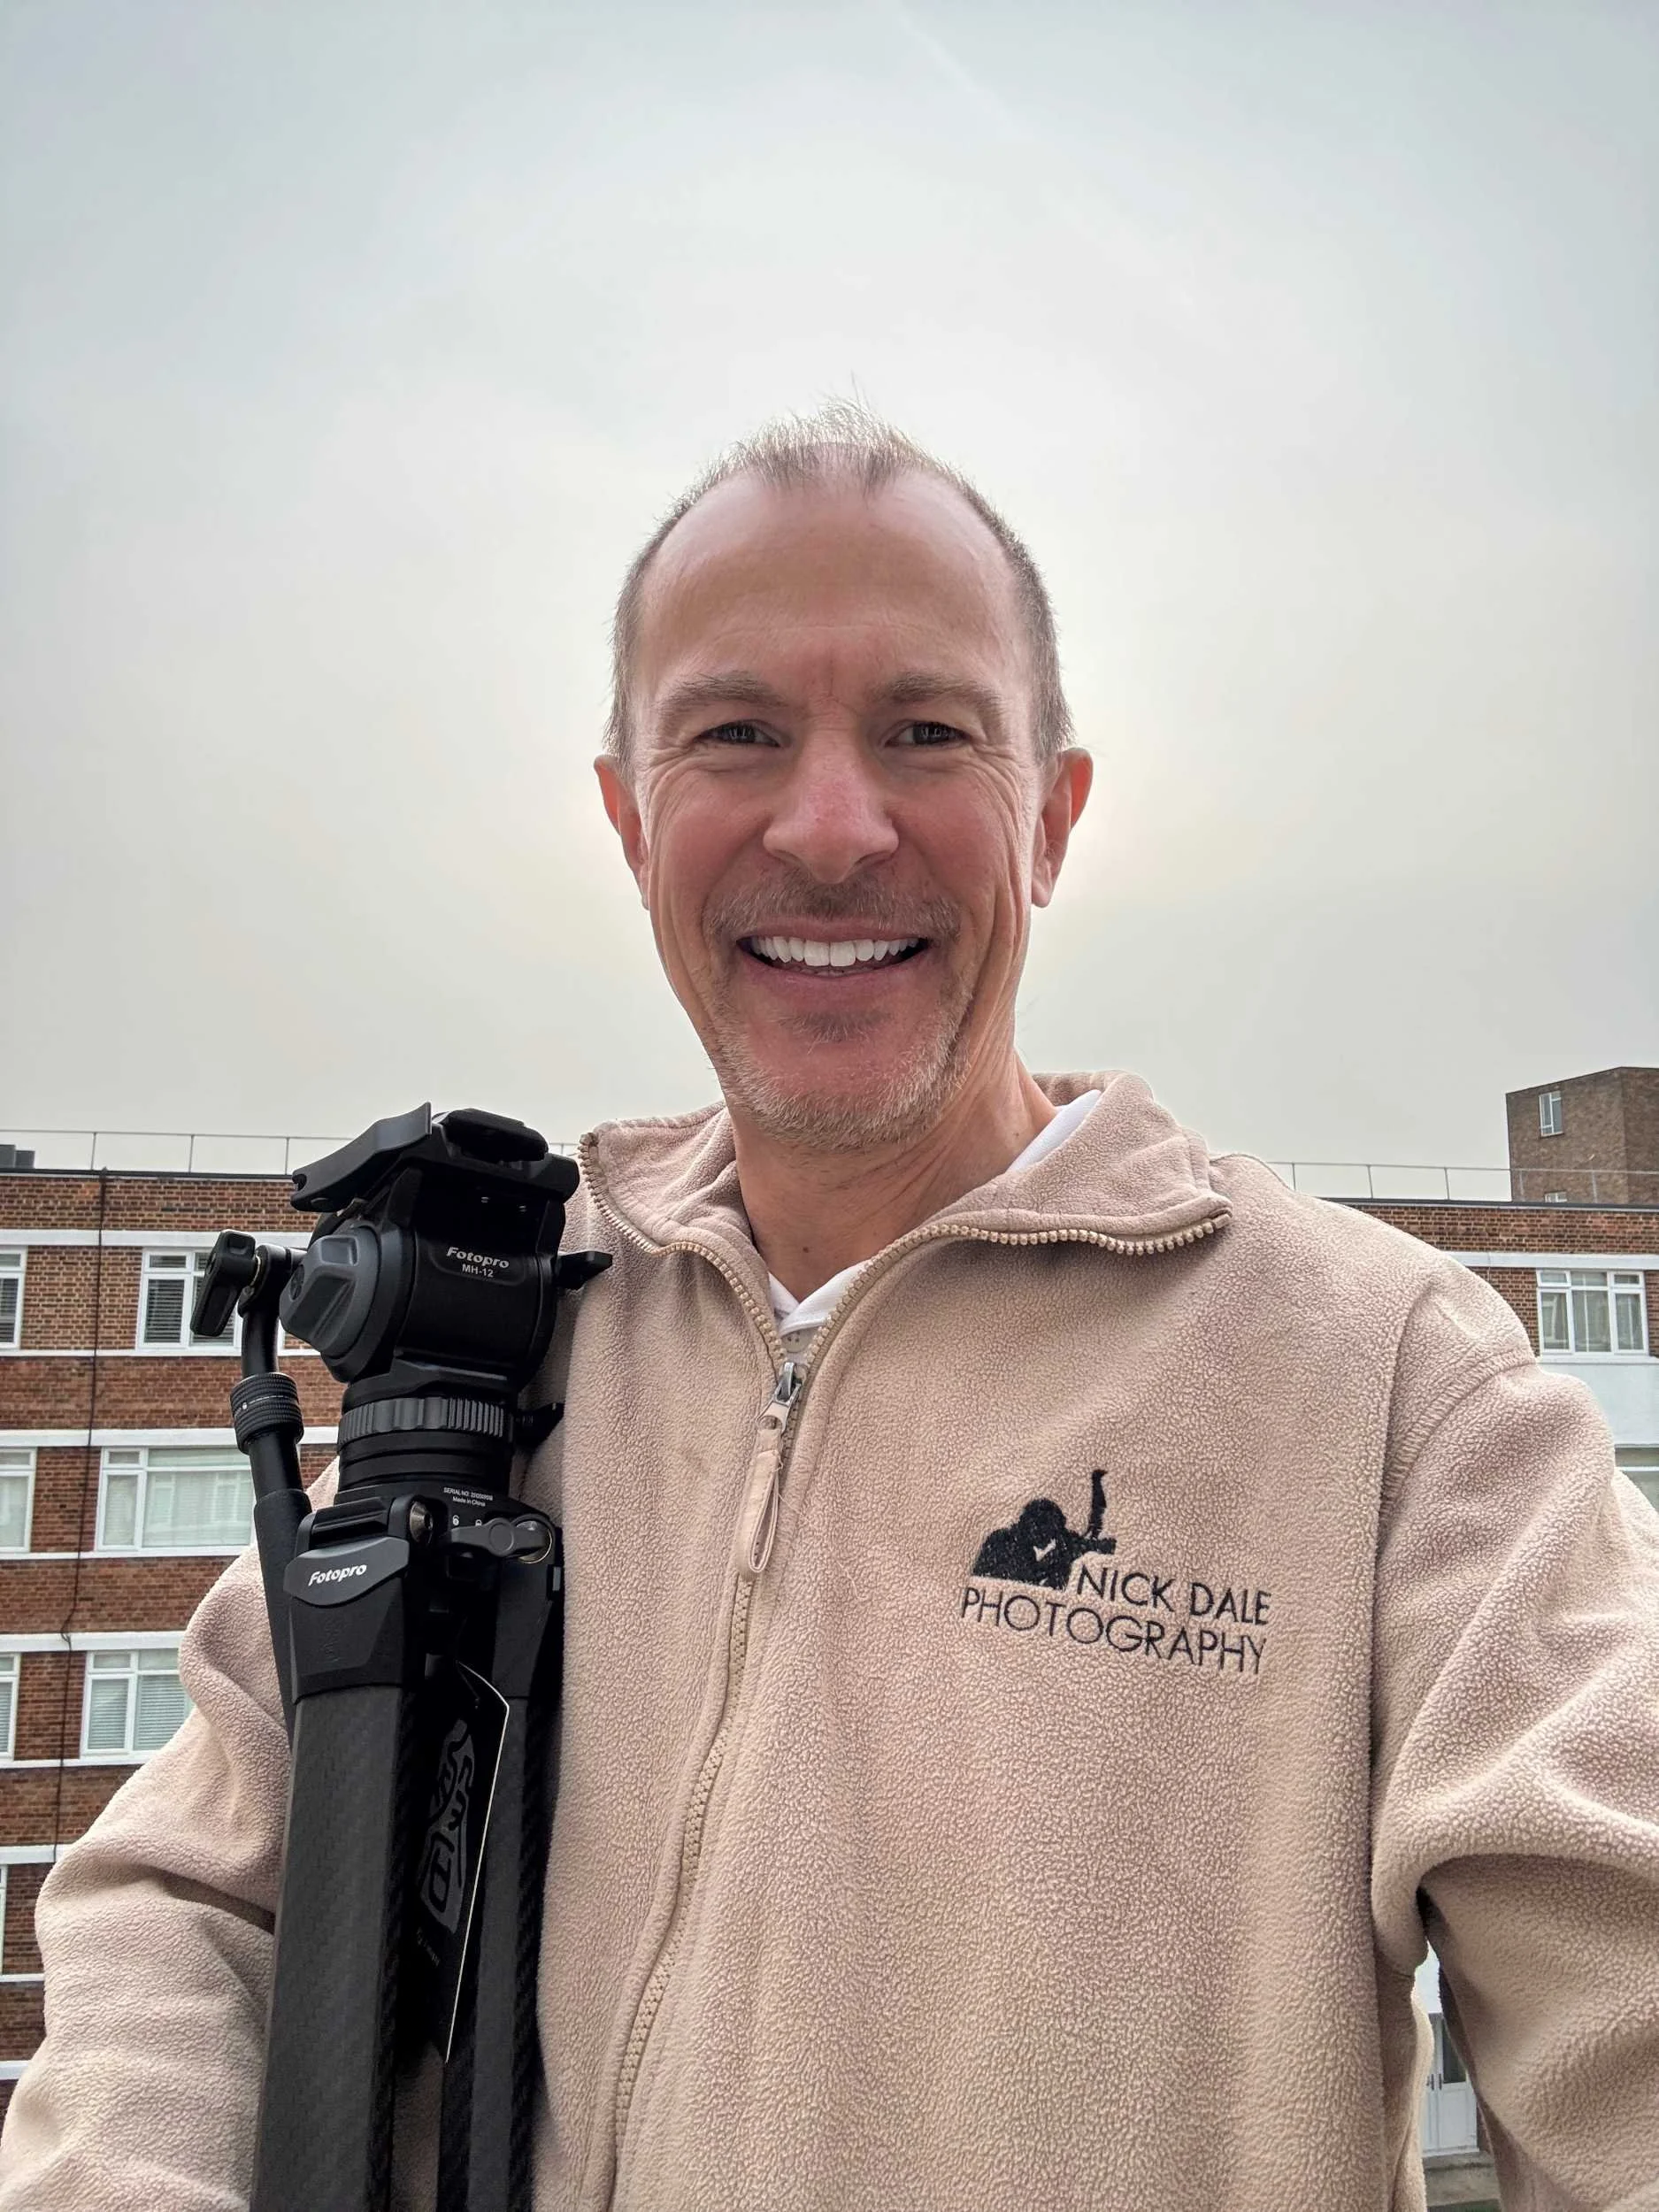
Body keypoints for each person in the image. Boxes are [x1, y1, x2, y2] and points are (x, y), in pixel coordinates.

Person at [4, 403, 1657, 2211]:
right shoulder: (497, 1336)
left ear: (1056, 816)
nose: (833, 824)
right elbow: (184, 1895)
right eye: (736, 735)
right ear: (632, 821)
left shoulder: (1388, 1386)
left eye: (925, 731)